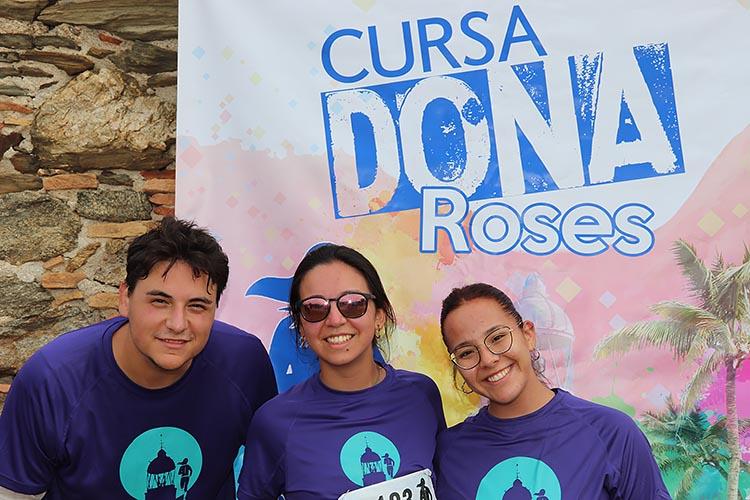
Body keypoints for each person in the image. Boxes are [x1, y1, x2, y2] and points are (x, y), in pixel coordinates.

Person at [0, 218, 277, 499]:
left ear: (216, 308)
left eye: (197, 306)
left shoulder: (244, 364)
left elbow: (280, 461)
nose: (178, 324)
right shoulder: (53, 380)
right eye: (160, 301)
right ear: (125, 298)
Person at [237, 244, 446, 499]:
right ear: (300, 326)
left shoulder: (421, 395)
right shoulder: (275, 422)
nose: (335, 320)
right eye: (315, 308)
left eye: (353, 304)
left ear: (380, 316)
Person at [435, 283, 671, 500]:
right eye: (467, 353)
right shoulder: (448, 453)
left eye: (497, 338)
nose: (488, 359)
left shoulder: (611, 432)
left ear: (528, 335)